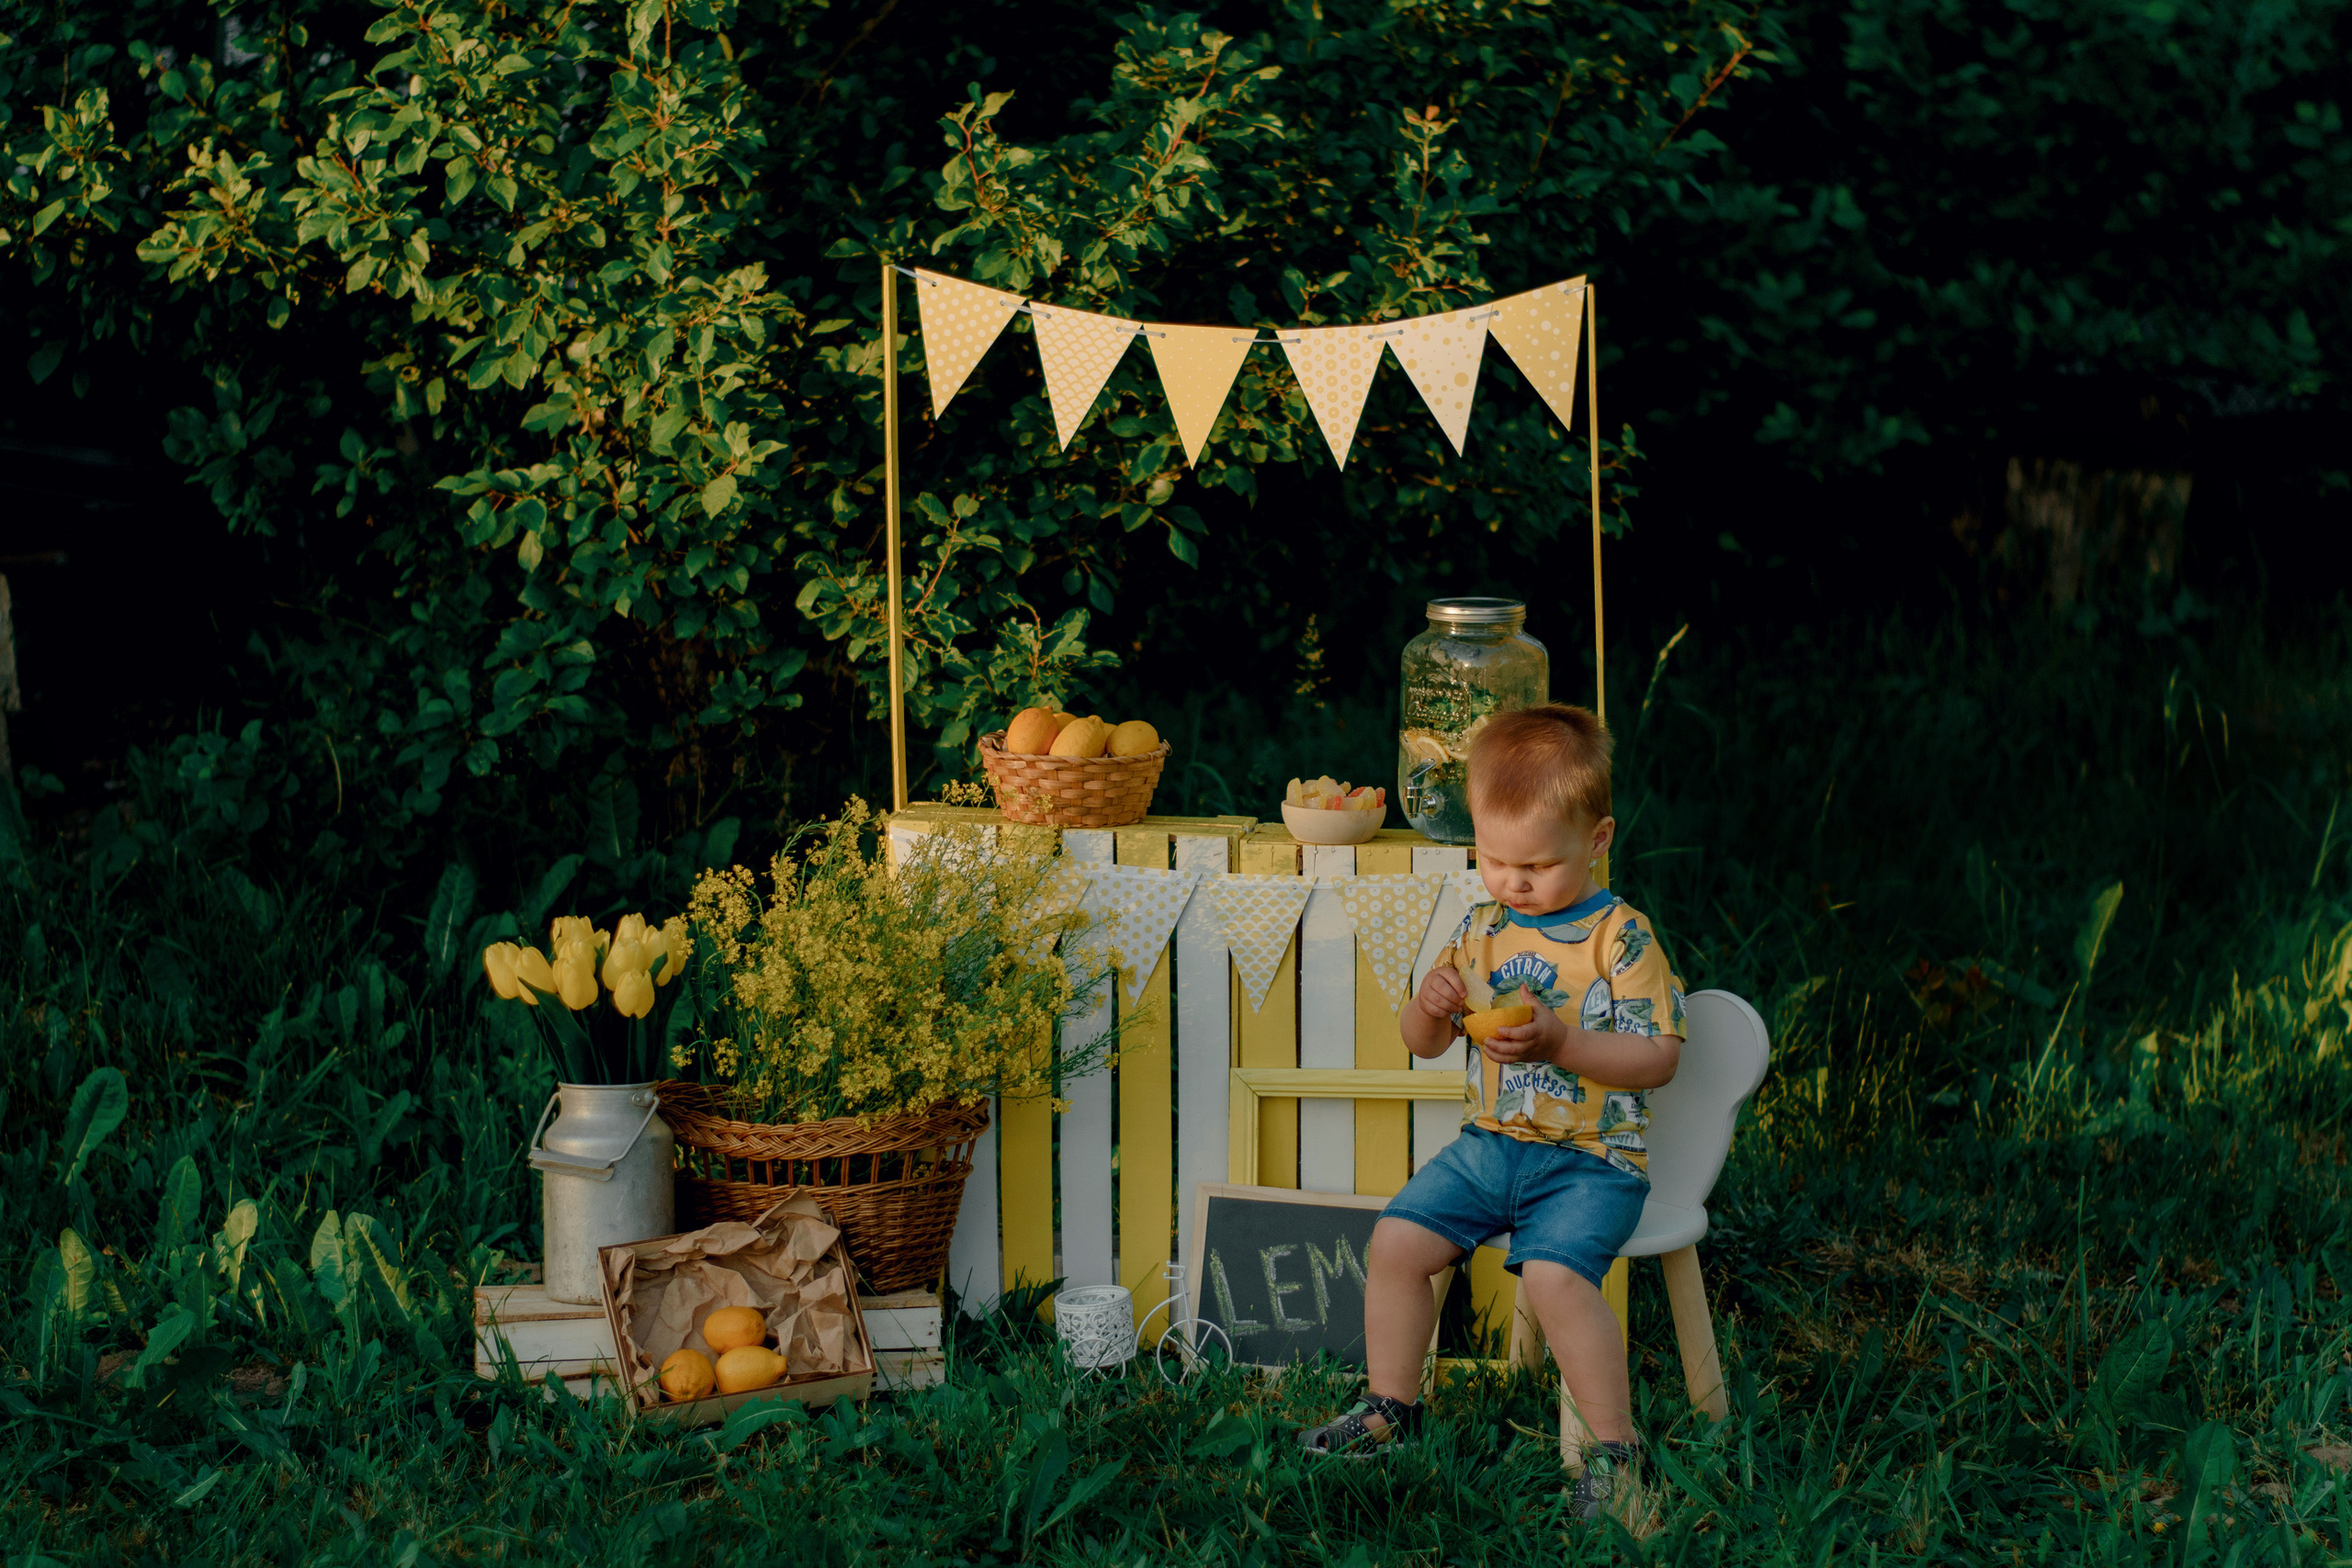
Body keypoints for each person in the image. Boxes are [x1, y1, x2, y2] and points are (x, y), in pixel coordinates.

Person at [1298, 703, 1686, 1518]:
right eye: (1492, 859)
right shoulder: (1479, 930)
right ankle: (1390, 1409)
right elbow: (1424, 1042)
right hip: (1492, 1146)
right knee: (1398, 1241)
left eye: (1538, 865)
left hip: (1592, 1159)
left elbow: (1657, 1059)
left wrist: (1561, 1043)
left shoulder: (1621, 938)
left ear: (1599, 839)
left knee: (1552, 1274)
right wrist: (1430, 1003)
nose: (1513, 882)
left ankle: (1615, 1453)